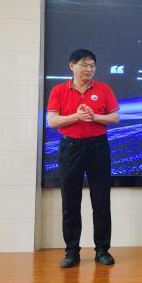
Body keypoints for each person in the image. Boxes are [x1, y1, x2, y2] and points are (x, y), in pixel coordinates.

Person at [47, 49, 119, 268]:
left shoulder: (103, 89)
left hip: (98, 147)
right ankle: (71, 252)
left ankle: (102, 250)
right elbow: (52, 121)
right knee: (70, 201)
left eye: (92, 65)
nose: (89, 69)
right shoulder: (59, 90)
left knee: (101, 201)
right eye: (84, 65)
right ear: (72, 66)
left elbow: (115, 117)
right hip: (70, 148)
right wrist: (76, 117)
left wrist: (94, 116)